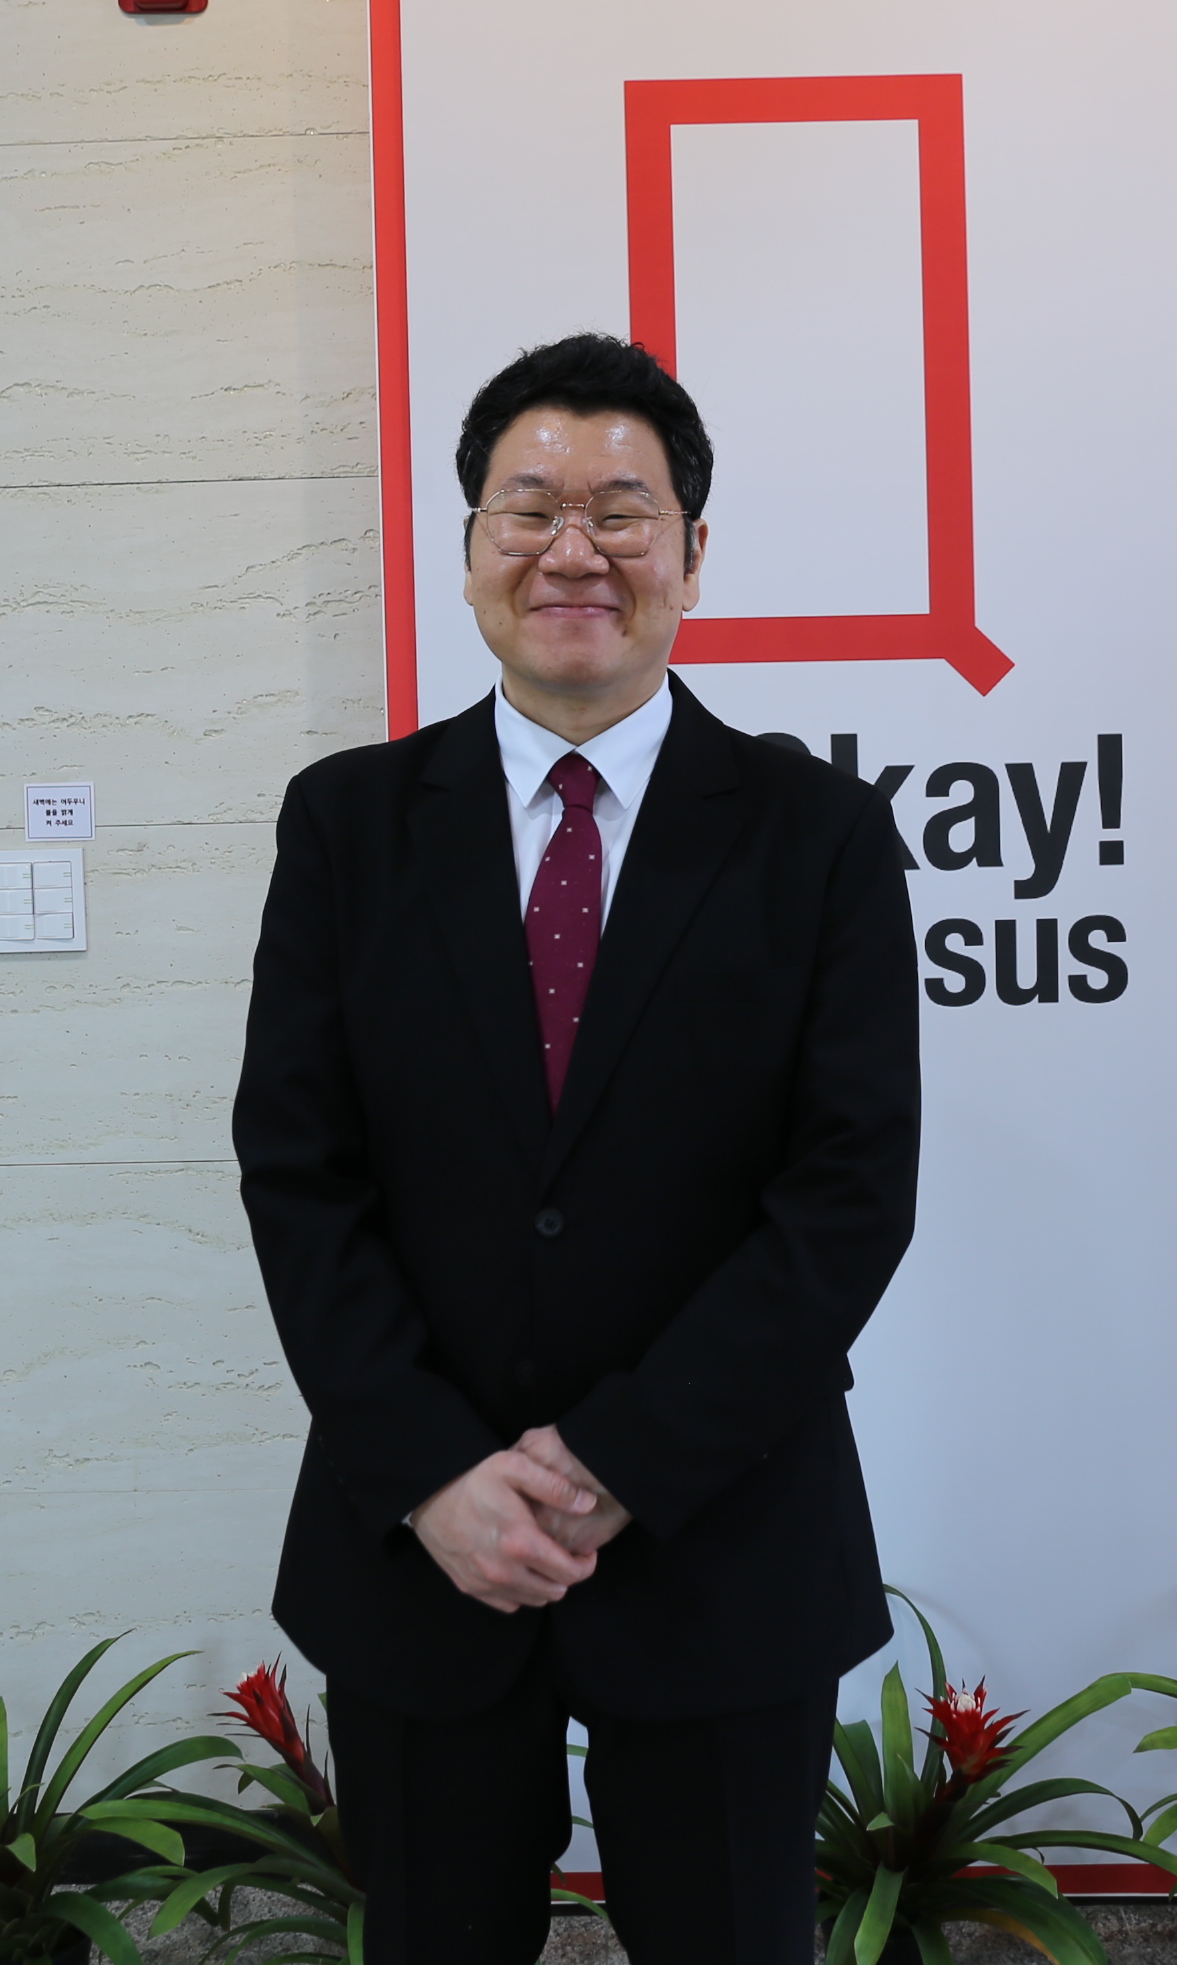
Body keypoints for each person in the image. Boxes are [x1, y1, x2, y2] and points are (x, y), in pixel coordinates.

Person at [232, 334, 922, 1962]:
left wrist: (620, 1460)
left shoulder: (815, 836)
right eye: (528, 507)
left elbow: (846, 1195)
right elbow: (299, 1172)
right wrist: (433, 1472)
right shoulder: (346, 826)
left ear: (693, 550)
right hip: (422, 1545)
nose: (572, 550)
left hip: (724, 1534)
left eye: (621, 511)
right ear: (470, 547)